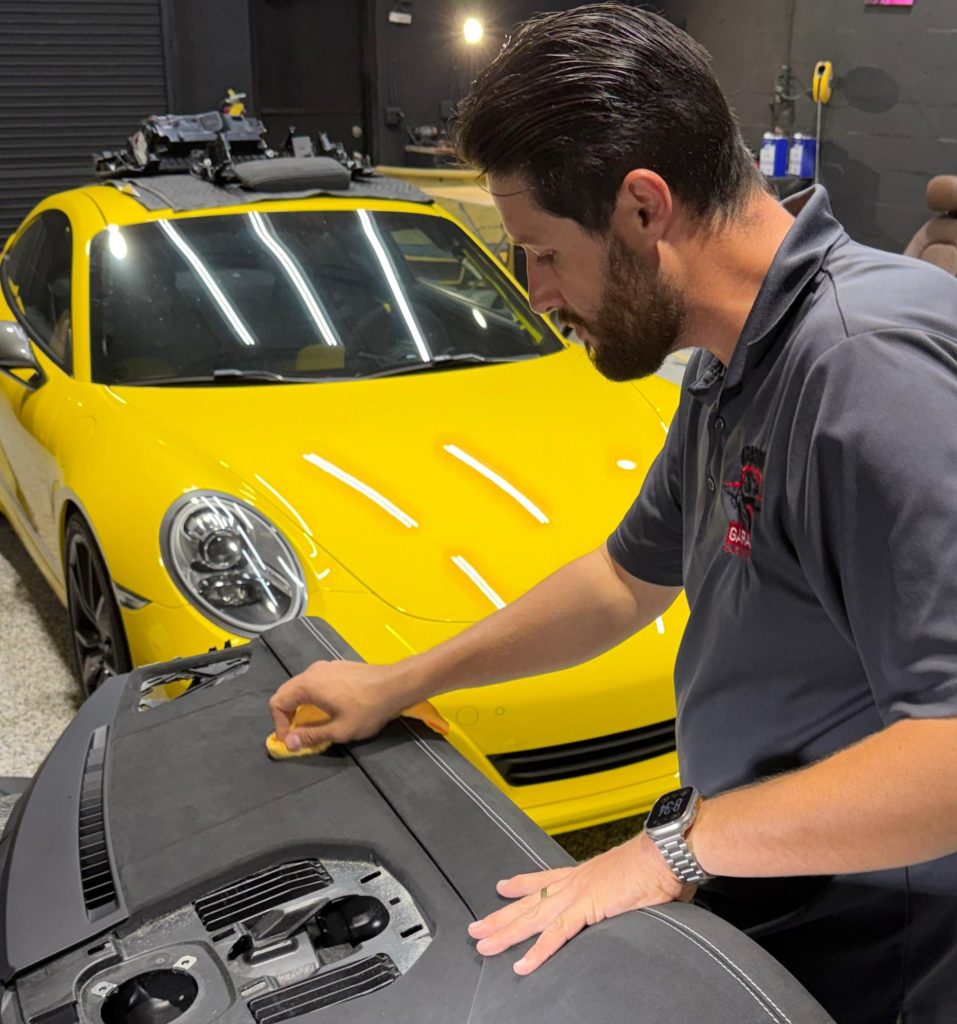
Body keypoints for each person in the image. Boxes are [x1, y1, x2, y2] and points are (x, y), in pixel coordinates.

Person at [269, 5, 957, 1022]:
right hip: (765, 866)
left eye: (544, 253)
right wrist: (398, 681)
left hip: (874, 934)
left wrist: (671, 849)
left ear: (642, 208)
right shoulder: (735, 355)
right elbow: (622, 580)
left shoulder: (864, 369)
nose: (537, 294)